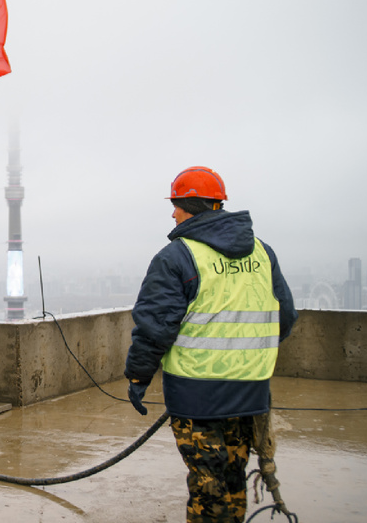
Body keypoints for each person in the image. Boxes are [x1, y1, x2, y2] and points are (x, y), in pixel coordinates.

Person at [124, 166, 297, 523]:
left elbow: (155, 328)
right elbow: (285, 317)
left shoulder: (177, 257)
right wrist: (248, 359)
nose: (173, 213)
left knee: (208, 487)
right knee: (233, 477)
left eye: (176, 205)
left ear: (192, 206)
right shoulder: (262, 253)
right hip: (250, 394)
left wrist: (139, 377)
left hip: (197, 396)